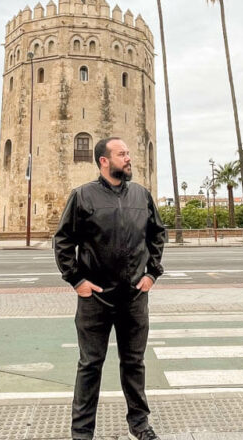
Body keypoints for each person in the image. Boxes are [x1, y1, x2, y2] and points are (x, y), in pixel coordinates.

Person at [54, 137, 167, 440]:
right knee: (90, 366)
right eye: (122, 154)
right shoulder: (83, 196)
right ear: (104, 161)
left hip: (134, 297)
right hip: (96, 299)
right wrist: (76, 280)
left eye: (128, 153)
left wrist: (152, 274)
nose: (128, 158)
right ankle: (81, 434)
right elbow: (63, 241)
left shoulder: (141, 195)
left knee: (134, 364)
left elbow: (157, 234)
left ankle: (140, 426)